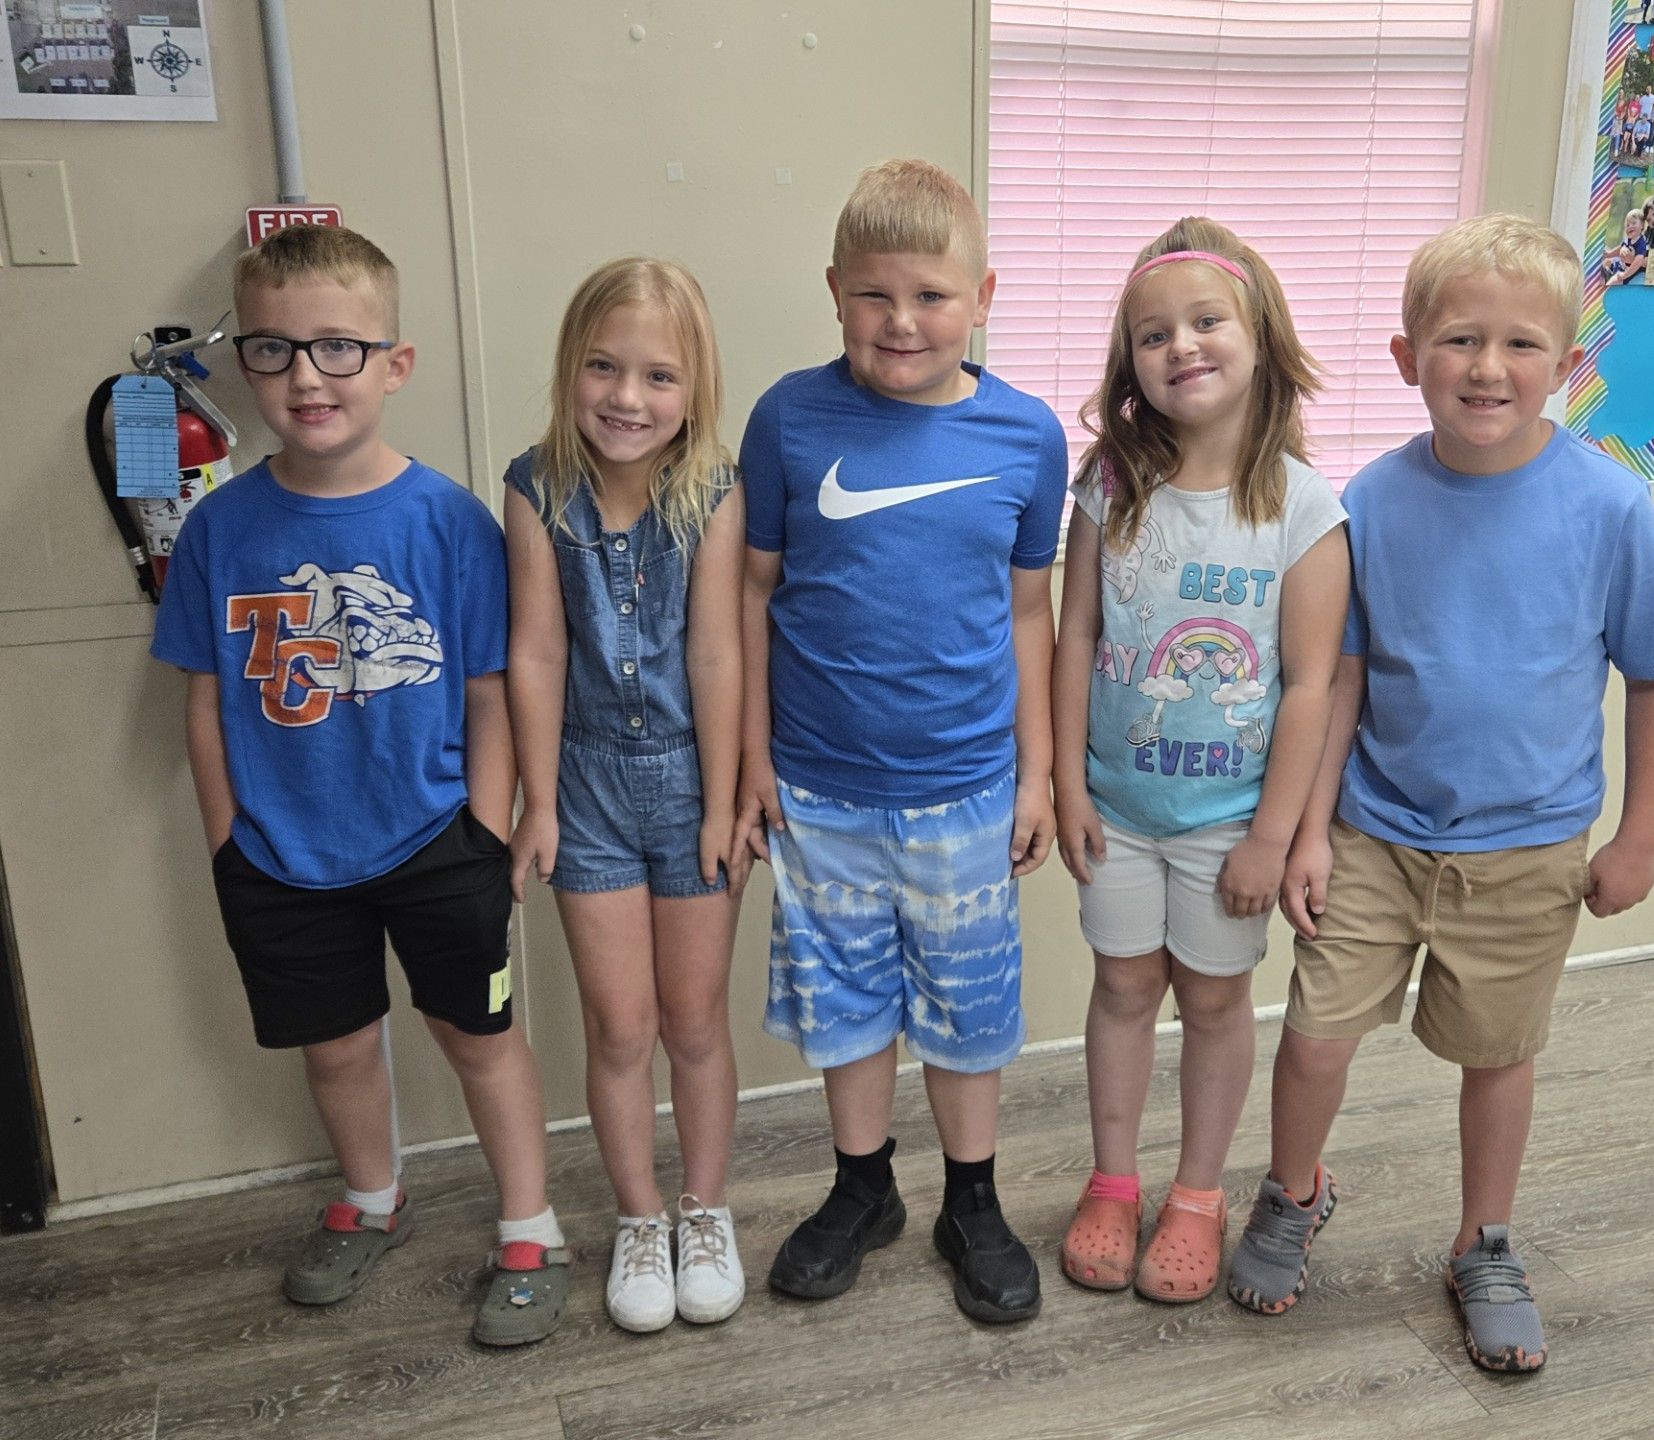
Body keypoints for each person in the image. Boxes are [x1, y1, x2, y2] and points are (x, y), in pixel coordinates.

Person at [1225, 214, 1654, 1373]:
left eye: (1522, 344)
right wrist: (1308, 834)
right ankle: (1293, 1191)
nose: (1489, 368)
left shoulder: (1611, 509)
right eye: (1460, 340)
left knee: (1498, 1056)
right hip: (1373, 835)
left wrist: (1638, 839)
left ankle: (1484, 1240)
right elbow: (1341, 678)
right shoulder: (1372, 502)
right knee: (1315, 1040)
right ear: (1408, 358)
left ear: (1567, 362)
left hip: (1528, 851)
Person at [150, 223, 569, 1346]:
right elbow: (203, 696)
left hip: (436, 840)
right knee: (334, 1045)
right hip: (277, 851)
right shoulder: (220, 528)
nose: (306, 377)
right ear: (245, 365)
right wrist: (226, 837)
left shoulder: (450, 522)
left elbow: (491, 693)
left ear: (396, 364)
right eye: (274, 349)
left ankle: (531, 1226)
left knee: (477, 1036)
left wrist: (484, 833)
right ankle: (372, 1198)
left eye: (339, 347)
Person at [734, 159, 1068, 1323]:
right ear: (835, 291)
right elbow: (752, 595)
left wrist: (1037, 775)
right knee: (847, 1000)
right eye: (875, 295)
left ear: (982, 296)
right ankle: (862, 1187)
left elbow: (1031, 615)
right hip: (819, 790)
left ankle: (971, 1201)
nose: (902, 321)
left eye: (931, 296)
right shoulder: (787, 418)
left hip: (967, 791)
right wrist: (755, 759)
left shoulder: (1024, 435)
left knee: (967, 1010)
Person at [1052, 219, 1348, 1303]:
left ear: (1259, 337)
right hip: (1118, 811)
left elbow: (1311, 683)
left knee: (1216, 1004)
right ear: (1129, 363)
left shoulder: (1303, 508)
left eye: (1206, 321)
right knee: (1124, 987)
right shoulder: (1108, 486)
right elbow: (1076, 636)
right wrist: (1067, 785)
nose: (1181, 345)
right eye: (1152, 334)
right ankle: (1114, 1182)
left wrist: (1273, 836)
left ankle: (1196, 1195)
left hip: (1230, 824)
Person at [502, 257, 748, 1332]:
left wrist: (723, 803)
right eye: (604, 367)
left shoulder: (716, 492)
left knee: (693, 1022)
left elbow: (718, 655)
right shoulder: (534, 489)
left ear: (694, 389)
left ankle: (706, 1209)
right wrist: (540, 802)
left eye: (658, 376)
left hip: (692, 782)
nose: (627, 398)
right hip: (587, 784)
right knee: (620, 1027)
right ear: (571, 368)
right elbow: (537, 652)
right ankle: (641, 1219)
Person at [1603, 209, 1651, 285]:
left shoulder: (1641, 243)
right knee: (1607, 262)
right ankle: (1609, 272)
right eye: (1627, 225)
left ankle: (1608, 282)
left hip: (1633, 272)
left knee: (1613, 281)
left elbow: (1638, 261)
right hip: (1624, 266)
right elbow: (1619, 249)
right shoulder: (1629, 239)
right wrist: (1609, 254)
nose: (1630, 226)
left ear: (1642, 225)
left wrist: (1625, 275)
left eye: (1634, 223)